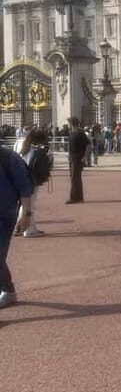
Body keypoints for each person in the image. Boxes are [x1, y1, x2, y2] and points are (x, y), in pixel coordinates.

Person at [0, 144, 33, 308]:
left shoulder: (8, 158)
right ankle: (7, 289)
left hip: (4, 217)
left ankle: (8, 289)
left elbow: (25, 189)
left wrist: (26, 215)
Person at [14, 128, 50, 238]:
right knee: (29, 205)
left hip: (18, 176)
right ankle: (27, 229)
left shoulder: (19, 143)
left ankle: (25, 227)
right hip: (31, 179)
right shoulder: (36, 151)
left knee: (23, 203)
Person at [66, 116, 90, 204]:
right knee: (76, 178)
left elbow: (88, 145)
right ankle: (79, 197)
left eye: (69, 123)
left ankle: (73, 197)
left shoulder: (80, 133)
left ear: (72, 123)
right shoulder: (72, 133)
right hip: (72, 158)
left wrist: (85, 157)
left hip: (77, 158)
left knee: (74, 178)